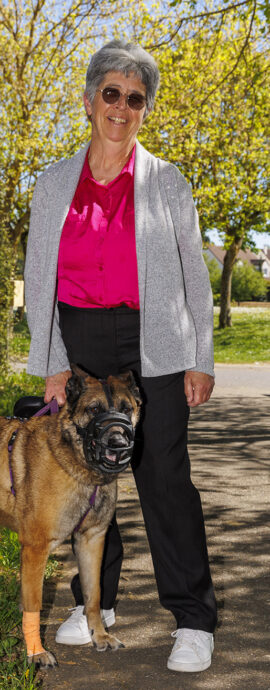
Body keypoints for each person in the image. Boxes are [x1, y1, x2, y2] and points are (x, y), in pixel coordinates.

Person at [24, 39, 217, 673]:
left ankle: (191, 617)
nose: (122, 106)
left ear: (144, 110)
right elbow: (41, 280)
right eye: (111, 93)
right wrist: (52, 360)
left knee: (162, 478)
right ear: (88, 101)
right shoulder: (53, 184)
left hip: (154, 340)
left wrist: (201, 358)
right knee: (85, 474)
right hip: (80, 343)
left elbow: (195, 277)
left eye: (135, 98)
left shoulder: (167, 181)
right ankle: (93, 606)